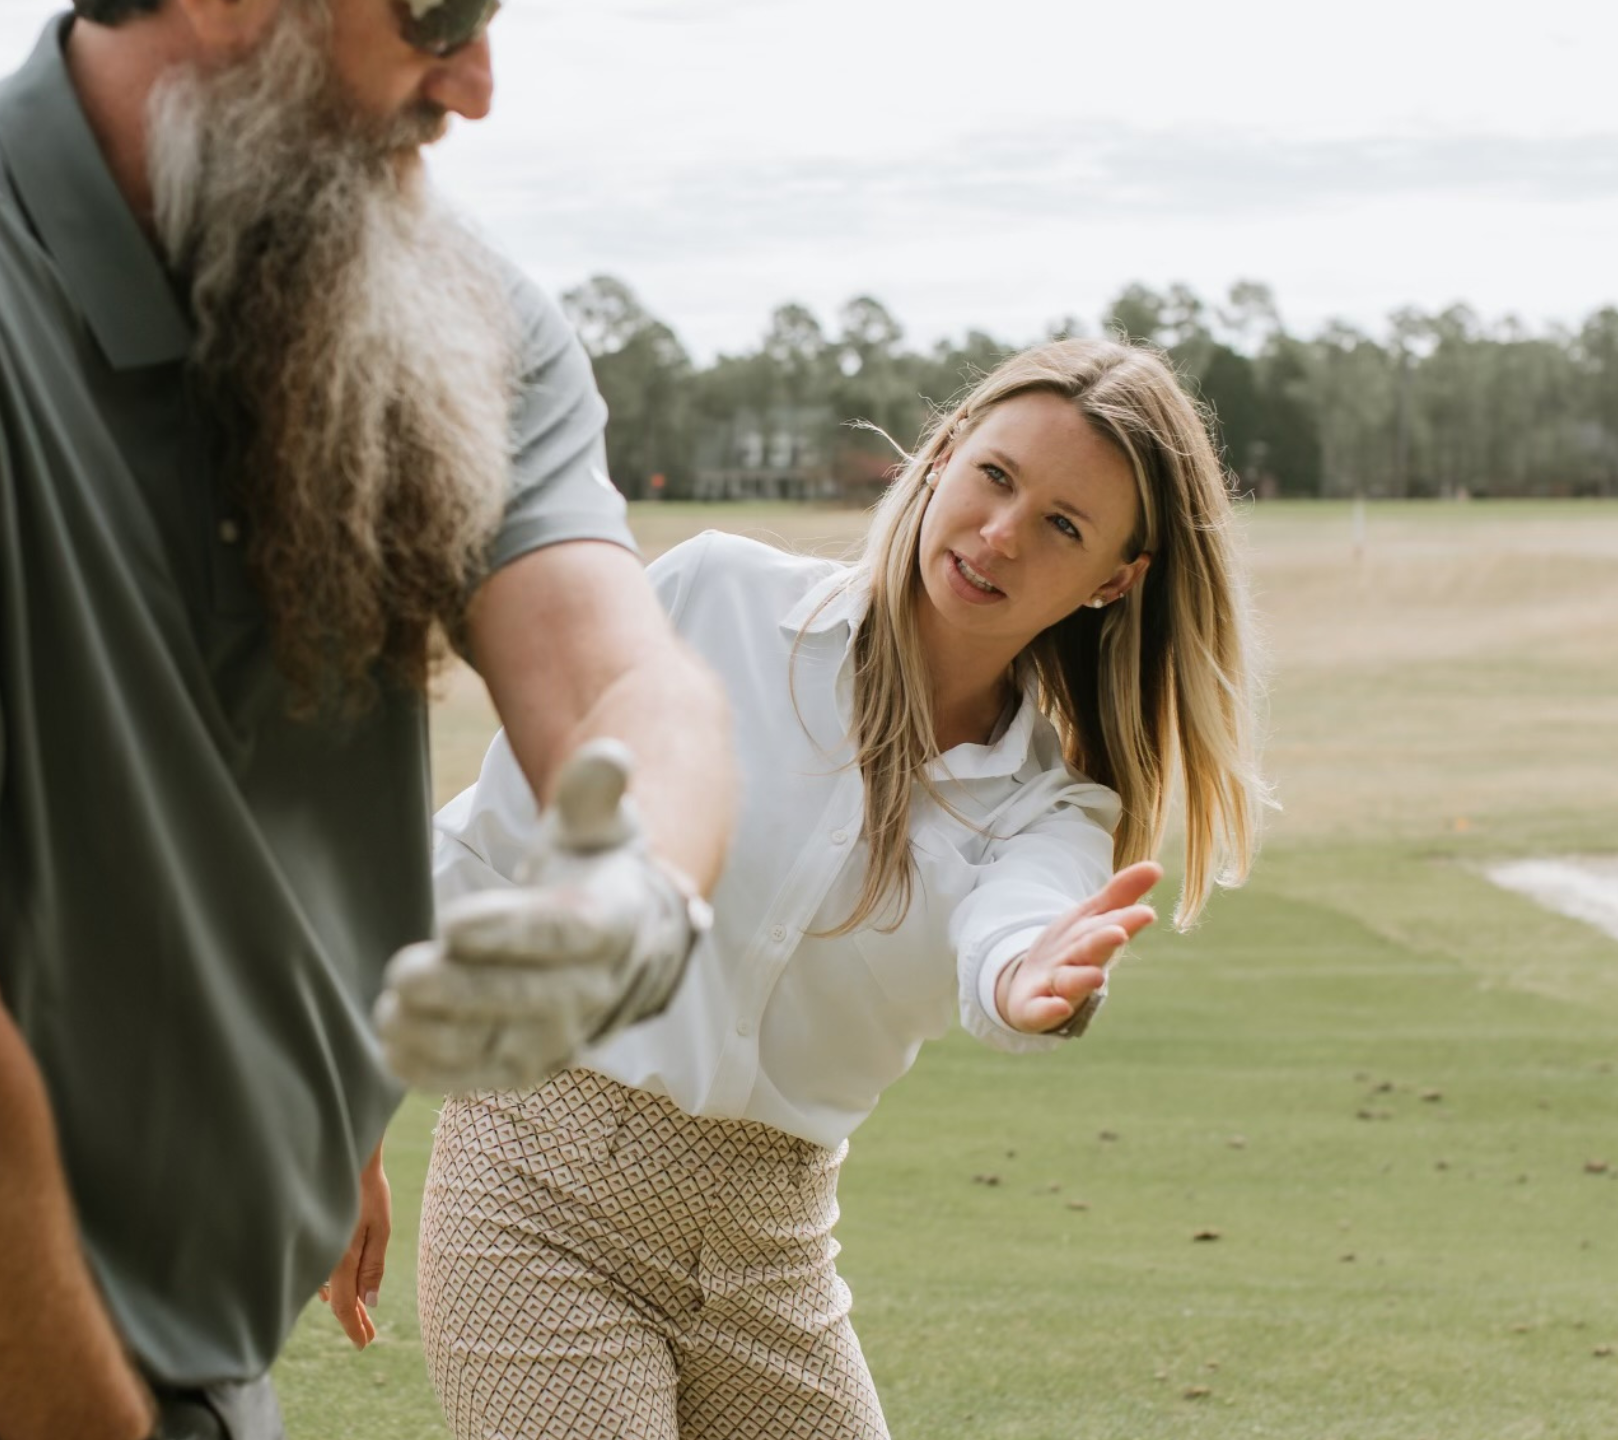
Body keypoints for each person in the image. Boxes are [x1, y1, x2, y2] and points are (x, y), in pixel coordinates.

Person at [0, 2, 737, 1437]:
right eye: (435, 11)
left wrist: (635, 896)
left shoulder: (456, 304)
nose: (478, 83)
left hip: (198, 1361)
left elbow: (628, 684)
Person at [413, 337, 1271, 1439]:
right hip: (537, 1194)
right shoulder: (710, 598)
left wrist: (1022, 980)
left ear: (1116, 578)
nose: (999, 534)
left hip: (772, 1257)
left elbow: (1015, 932)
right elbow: (487, 847)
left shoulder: (1053, 813)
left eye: (1062, 525)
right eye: (994, 478)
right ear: (945, 453)